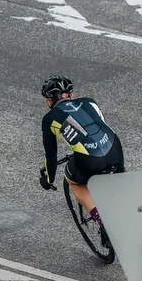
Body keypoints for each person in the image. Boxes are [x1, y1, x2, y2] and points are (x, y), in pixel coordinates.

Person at [38, 75, 123, 243]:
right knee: (117, 182)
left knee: (74, 181)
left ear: (49, 101)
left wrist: (49, 179)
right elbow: (100, 125)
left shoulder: (49, 118)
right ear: (71, 94)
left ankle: (102, 220)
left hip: (90, 159)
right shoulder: (90, 102)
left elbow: (51, 154)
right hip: (114, 148)